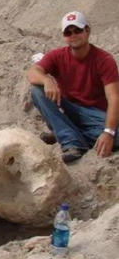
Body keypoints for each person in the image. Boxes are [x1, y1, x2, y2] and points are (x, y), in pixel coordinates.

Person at [27, 11, 119, 163]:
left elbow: (114, 98)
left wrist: (108, 132)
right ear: (64, 36)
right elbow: (32, 72)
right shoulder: (57, 56)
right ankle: (71, 141)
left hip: (96, 115)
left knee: (115, 135)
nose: (73, 35)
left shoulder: (104, 60)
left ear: (87, 31)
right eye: (68, 32)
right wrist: (46, 80)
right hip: (70, 109)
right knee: (37, 90)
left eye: (77, 30)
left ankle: (66, 133)